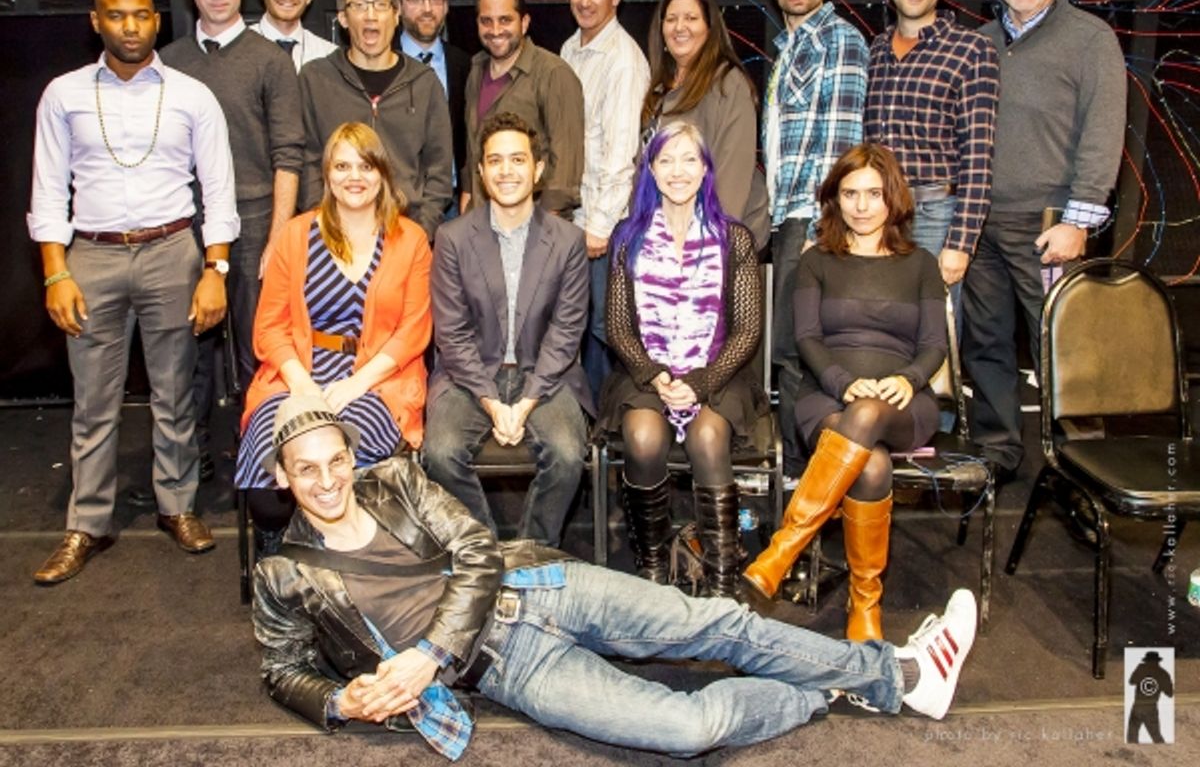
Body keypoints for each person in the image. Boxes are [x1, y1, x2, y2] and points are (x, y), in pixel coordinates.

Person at [252, 392, 979, 759]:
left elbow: (476, 548)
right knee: (686, 727)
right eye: (306, 469)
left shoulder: (394, 481)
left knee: (715, 622)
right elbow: (281, 671)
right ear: (282, 478)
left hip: (531, 588)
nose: (326, 480)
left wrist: (425, 656)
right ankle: (822, 690)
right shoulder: (285, 572)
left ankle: (902, 675)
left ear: (351, 457)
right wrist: (341, 701)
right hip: (509, 668)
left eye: (334, 460)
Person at [29, 0, 239, 582]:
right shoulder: (62, 95)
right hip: (90, 256)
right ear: (96, 22)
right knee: (93, 402)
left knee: (175, 393)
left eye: (141, 15)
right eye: (116, 16)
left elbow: (218, 189)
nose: (129, 26)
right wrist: (54, 274)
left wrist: (214, 270)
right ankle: (86, 523)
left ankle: (177, 507)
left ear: (156, 20)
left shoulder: (191, 95)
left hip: (173, 250)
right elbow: (47, 192)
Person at [744, 144, 947, 642]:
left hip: (903, 403)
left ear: (892, 198)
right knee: (872, 464)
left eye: (873, 194)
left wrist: (908, 380)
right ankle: (865, 605)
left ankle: (784, 549)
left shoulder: (920, 264)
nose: (861, 206)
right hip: (828, 398)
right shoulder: (817, 263)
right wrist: (842, 382)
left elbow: (933, 345)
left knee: (872, 413)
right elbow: (807, 339)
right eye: (850, 193)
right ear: (834, 199)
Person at [962, 0, 1126, 477]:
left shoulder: (1090, 39)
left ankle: (1089, 466)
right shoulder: (979, 42)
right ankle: (998, 451)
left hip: (1050, 223)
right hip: (980, 221)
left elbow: (1104, 132)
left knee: (1062, 348)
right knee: (985, 343)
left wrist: (1078, 220)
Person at [236, 122, 432, 553]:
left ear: (382, 173)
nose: (354, 177)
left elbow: (414, 329)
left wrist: (354, 385)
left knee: (340, 467)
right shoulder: (295, 235)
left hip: (377, 381)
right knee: (270, 482)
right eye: (342, 166)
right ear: (326, 175)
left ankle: (345, 565)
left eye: (365, 165)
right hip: (295, 375)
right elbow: (269, 326)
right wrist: (303, 387)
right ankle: (282, 564)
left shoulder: (411, 239)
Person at [599, 122, 767, 597]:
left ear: (706, 169)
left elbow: (747, 329)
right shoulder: (626, 237)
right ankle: (653, 571)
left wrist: (700, 379)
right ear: (651, 169)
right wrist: (655, 375)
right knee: (643, 434)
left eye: (689, 159)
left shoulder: (734, 238)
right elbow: (617, 327)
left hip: (719, 369)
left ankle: (720, 580)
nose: (678, 171)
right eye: (666, 160)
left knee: (709, 434)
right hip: (645, 369)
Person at [160, 0, 304, 467]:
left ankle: (260, 470)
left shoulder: (270, 60)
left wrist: (278, 239)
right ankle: (188, 470)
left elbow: (289, 154)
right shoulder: (167, 62)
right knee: (186, 358)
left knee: (255, 354)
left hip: (254, 222)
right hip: (181, 227)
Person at [422, 112, 592, 547]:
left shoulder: (568, 240)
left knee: (568, 454)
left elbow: (566, 332)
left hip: (546, 375)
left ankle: (530, 552)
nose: (506, 170)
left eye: (518, 160)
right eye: (495, 161)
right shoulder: (453, 238)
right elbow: (452, 334)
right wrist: (494, 403)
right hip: (470, 376)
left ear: (538, 169)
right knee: (439, 453)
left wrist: (528, 398)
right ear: (480, 172)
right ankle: (487, 554)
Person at [762, 0, 868, 474]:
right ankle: (800, 480)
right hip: (791, 216)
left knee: (798, 353)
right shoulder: (792, 45)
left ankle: (804, 482)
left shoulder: (839, 40)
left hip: (814, 220)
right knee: (791, 352)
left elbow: (841, 145)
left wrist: (821, 228)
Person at [863, 0, 998, 291]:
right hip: (878, 214)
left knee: (936, 331)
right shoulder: (875, 50)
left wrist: (961, 243)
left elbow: (978, 154)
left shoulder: (971, 49)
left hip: (935, 215)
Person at [299, 0, 453, 242]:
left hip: (405, 233)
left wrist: (420, 231)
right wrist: (323, 225)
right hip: (333, 235)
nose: (371, 15)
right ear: (344, 18)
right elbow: (307, 159)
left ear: (395, 15)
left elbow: (439, 171)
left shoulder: (424, 82)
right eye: (359, 5)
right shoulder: (316, 78)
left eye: (381, 5)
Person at [560, 0, 651, 400]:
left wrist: (599, 226)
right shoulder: (570, 48)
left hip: (606, 224)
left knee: (602, 328)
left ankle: (606, 432)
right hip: (573, 217)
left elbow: (622, 151)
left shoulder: (623, 60)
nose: (585, 2)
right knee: (572, 325)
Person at [642, 0, 769, 249]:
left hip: (716, 242)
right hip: (666, 239)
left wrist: (708, 243)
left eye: (691, 18)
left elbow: (732, 173)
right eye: (671, 19)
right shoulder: (659, 89)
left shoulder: (727, 83)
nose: (679, 27)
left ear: (710, 29)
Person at [462, 0, 585, 218]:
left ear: (524, 22)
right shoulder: (476, 69)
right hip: (483, 223)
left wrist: (546, 230)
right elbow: (473, 147)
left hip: (536, 222)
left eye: (505, 20)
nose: (495, 29)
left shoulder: (553, 73)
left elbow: (566, 160)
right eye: (486, 21)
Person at [396, 0, 471, 202]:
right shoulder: (379, 61)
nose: (427, 8)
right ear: (398, 5)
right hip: (395, 202)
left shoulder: (465, 64)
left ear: (446, 5)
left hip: (452, 203)